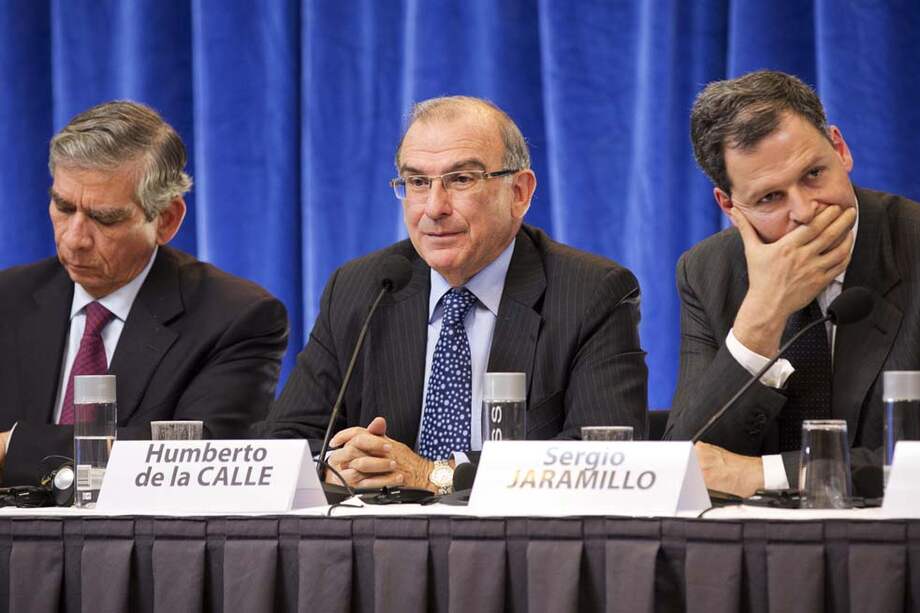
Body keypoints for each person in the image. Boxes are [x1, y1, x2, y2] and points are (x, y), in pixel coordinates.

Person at [263, 96, 647, 494]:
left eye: (461, 179)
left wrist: (436, 476)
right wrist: (338, 464)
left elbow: (604, 455)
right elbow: (287, 441)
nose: (434, 208)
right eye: (417, 182)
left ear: (519, 192)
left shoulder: (591, 292)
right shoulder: (363, 287)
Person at [0, 101, 288, 485]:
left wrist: (11, 449)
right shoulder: (8, 299)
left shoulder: (237, 317)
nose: (74, 238)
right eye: (63, 207)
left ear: (166, 220)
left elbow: (196, 458)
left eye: (105, 217)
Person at [665, 70, 920, 497]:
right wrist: (761, 317)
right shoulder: (707, 272)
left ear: (840, 149)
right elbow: (686, 467)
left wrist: (764, 475)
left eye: (814, 174)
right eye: (770, 198)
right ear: (730, 205)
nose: (804, 210)